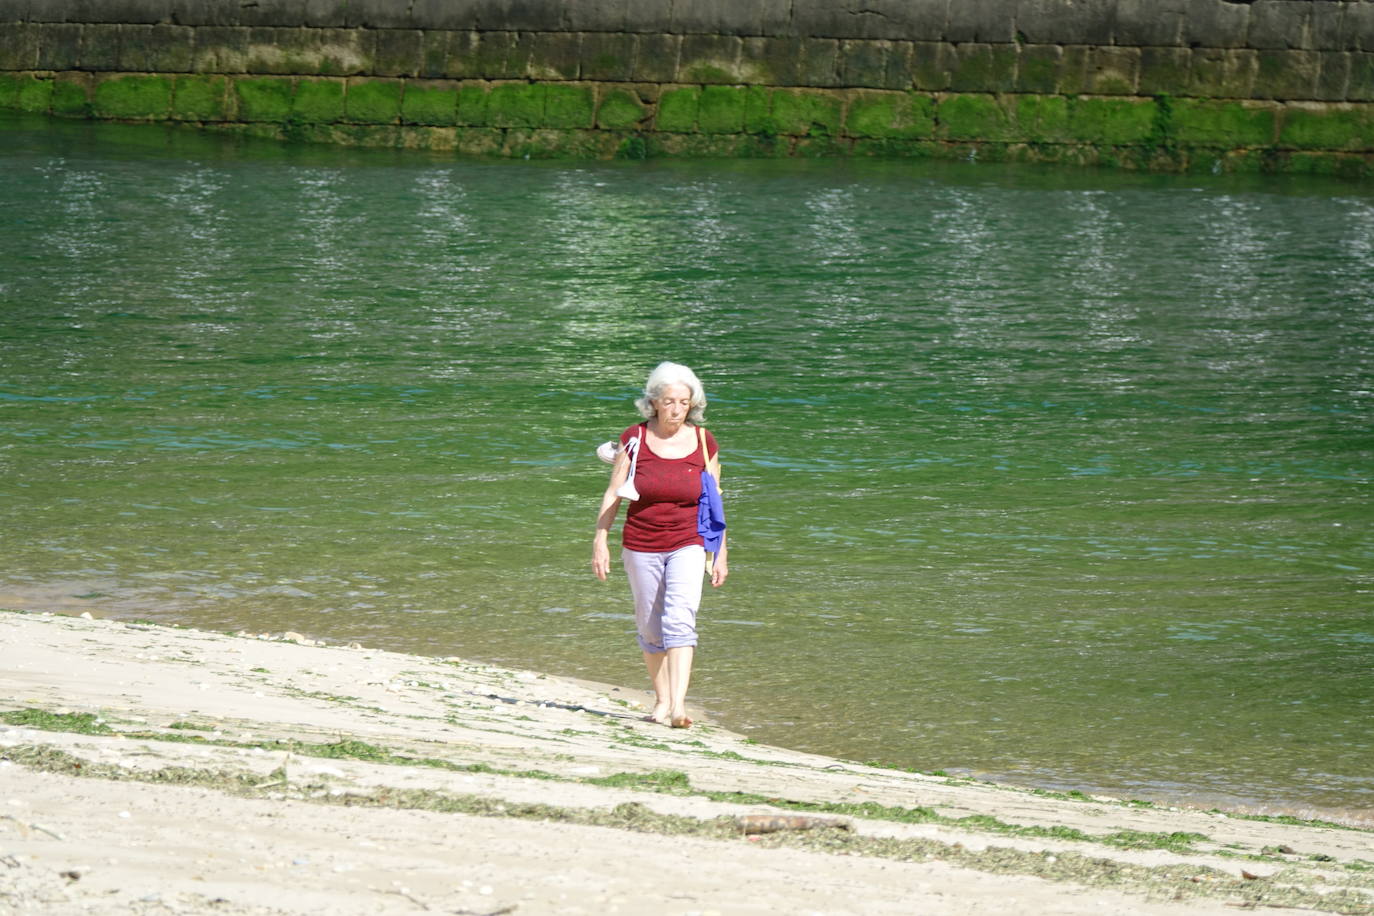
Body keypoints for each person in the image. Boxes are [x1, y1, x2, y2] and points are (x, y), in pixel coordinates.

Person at [592, 361, 728, 729]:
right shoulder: (634, 437)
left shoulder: (703, 441)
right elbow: (613, 492)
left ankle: (679, 707)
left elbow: (714, 500)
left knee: (680, 618)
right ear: (653, 402)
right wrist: (600, 540)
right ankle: (661, 700)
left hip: (689, 540)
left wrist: (721, 552)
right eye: (669, 401)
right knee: (652, 627)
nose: (676, 409)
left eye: (684, 402)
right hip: (641, 541)